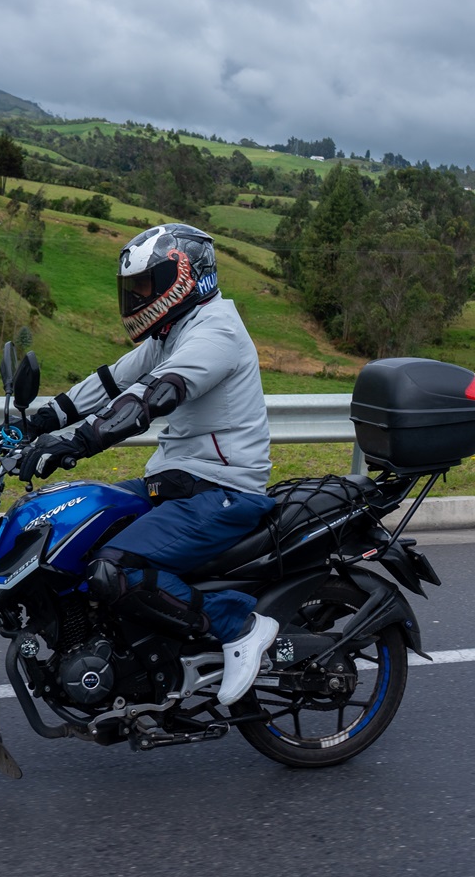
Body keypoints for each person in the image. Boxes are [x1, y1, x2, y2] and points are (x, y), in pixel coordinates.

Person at [15, 222, 279, 706]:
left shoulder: (216, 332)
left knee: (116, 567)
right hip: (177, 482)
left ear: (182, 277)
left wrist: (77, 443)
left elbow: (152, 396)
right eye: (131, 288)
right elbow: (110, 383)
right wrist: (33, 424)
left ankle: (237, 624)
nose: (135, 297)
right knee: (74, 529)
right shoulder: (172, 332)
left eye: (143, 285)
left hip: (222, 492)